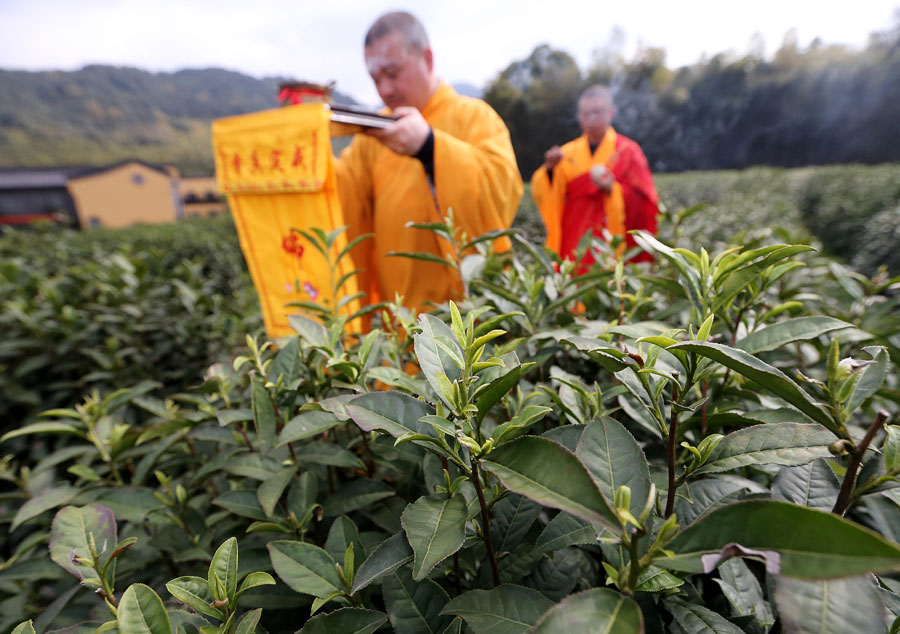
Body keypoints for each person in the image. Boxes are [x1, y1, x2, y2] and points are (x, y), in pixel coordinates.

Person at [335, 11, 523, 311]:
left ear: (428, 58)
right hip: (396, 318)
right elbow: (339, 190)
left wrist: (430, 147)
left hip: (462, 325)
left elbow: (501, 192)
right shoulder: (374, 133)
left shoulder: (474, 117)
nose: (384, 90)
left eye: (393, 74)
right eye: (375, 79)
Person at [531, 85, 659, 267]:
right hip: (574, 235)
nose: (591, 120)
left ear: (611, 112)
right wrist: (550, 170)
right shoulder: (567, 153)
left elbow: (646, 200)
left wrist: (612, 189)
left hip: (609, 235)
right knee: (573, 281)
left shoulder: (628, 151)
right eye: (585, 114)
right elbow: (543, 190)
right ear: (579, 115)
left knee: (606, 283)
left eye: (597, 113)